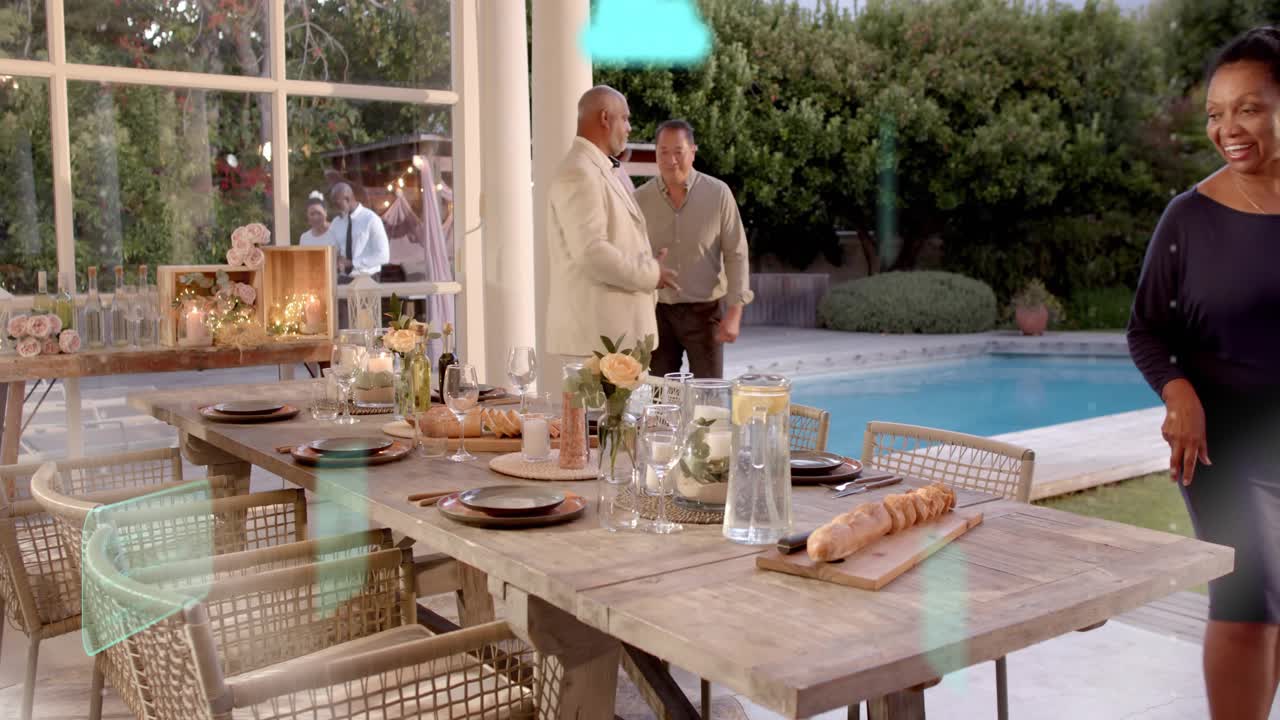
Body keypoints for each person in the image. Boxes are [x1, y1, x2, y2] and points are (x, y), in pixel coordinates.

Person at [1127, 26, 1280, 720]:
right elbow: (1146, 329)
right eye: (1216, 113)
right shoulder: (1188, 217)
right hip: (1221, 442)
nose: (1228, 129)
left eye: (1248, 108)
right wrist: (1178, 390)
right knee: (1248, 598)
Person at [545, 85, 679, 367]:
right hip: (598, 342)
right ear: (605, 118)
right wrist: (650, 274)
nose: (630, 128)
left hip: (614, 339)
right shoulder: (579, 171)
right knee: (600, 415)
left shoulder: (597, 169)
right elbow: (593, 253)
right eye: (625, 118)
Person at [634, 119, 752, 378]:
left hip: (706, 312)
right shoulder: (640, 199)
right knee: (661, 400)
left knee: (707, 401)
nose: (670, 160)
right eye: (663, 152)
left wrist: (735, 312)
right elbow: (630, 255)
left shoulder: (718, 193)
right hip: (658, 313)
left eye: (678, 151)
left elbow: (736, 254)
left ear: (693, 151)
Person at [329, 182, 390, 283]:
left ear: (347, 199)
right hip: (343, 280)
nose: (336, 209)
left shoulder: (371, 219)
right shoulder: (336, 223)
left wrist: (353, 263)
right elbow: (333, 251)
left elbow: (383, 256)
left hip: (368, 279)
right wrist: (337, 259)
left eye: (338, 204)